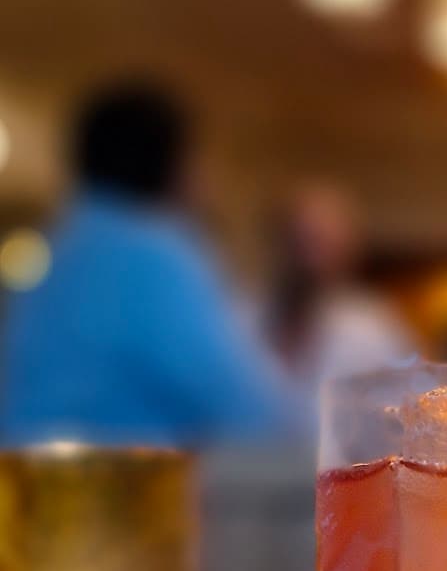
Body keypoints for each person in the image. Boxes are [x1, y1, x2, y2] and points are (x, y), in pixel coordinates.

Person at [0, 80, 308, 447]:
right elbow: (256, 412)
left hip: (23, 487)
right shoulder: (155, 253)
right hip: (104, 492)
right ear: (173, 166)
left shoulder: (58, 244)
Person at [260, 183, 413, 387]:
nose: (310, 258)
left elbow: (405, 392)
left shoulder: (373, 326)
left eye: (323, 242)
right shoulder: (245, 318)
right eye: (301, 240)